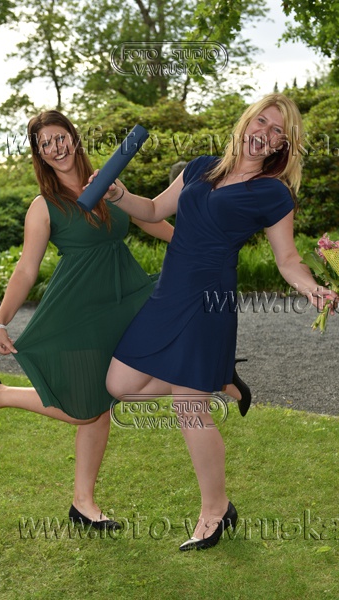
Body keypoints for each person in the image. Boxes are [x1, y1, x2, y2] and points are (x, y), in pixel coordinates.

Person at [97, 93, 337, 550]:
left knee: (189, 406)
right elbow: (153, 210)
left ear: (282, 145)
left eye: (278, 131)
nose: (265, 133)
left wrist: (312, 288)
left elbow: (287, 259)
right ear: (247, 122)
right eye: (261, 121)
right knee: (120, 384)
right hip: (169, 293)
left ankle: (215, 510)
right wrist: (120, 195)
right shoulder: (200, 167)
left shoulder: (274, 193)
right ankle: (218, 375)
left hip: (210, 300)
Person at [0, 110, 174, 530]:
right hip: (79, 313)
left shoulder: (107, 184)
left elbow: (151, 219)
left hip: (124, 301)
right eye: (45, 144)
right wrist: (0, 321)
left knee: (109, 399)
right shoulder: (44, 206)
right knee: (86, 410)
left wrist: (203, 242)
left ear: (73, 139)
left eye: (59, 138)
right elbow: (26, 269)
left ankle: (83, 504)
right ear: (39, 155)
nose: (55, 148)